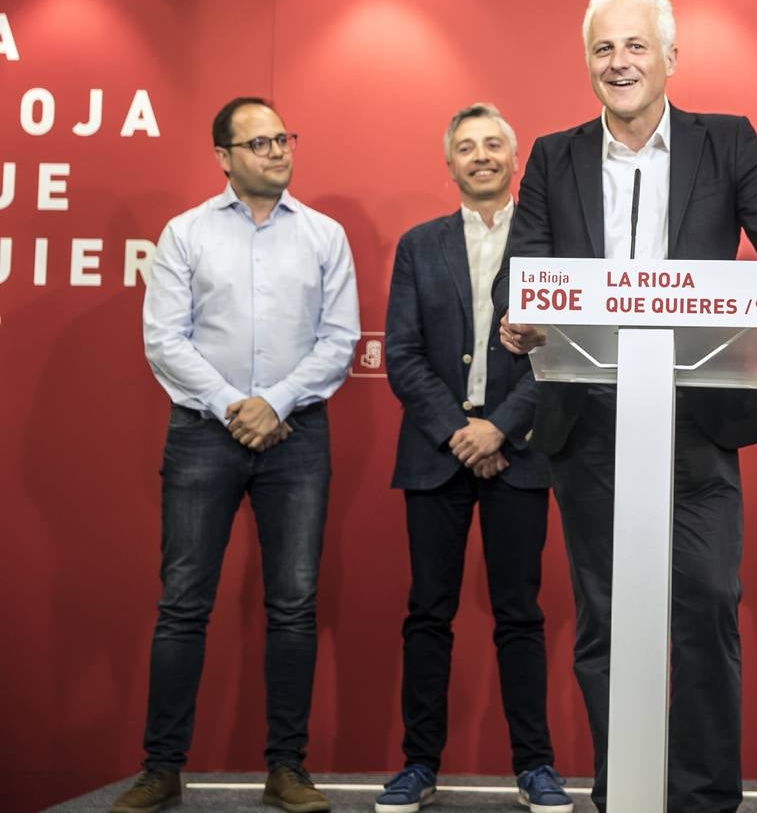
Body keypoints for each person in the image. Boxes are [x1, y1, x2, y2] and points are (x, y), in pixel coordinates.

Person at [500, 0, 757, 813]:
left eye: (636, 47)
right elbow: (523, 272)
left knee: (708, 605)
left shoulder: (727, 143)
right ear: (587, 63)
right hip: (589, 426)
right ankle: (625, 791)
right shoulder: (551, 155)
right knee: (606, 620)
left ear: (670, 58)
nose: (621, 63)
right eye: (605, 49)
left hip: (699, 420)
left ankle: (705, 798)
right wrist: (519, 319)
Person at [115, 97, 360, 813]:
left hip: (298, 436)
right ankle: (161, 768)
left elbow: (339, 340)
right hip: (202, 433)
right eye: (259, 143)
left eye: (283, 138)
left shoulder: (324, 235)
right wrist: (234, 405)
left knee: (294, 605)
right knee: (184, 605)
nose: (277, 151)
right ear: (224, 157)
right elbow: (165, 338)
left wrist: (274, 403)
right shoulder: (186, 234)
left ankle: (287, 768)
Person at [375, 103, 572, 813]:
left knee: (520, 613)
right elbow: (399, 353)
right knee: (428, 613)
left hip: (518, 454)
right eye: (467, 147)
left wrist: (499, 430)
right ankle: (418, 764)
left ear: (515, 160)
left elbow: (561, 351)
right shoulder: (418, 245)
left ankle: (536, 767)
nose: (481, 155)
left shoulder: (551, 247)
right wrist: (459, 430)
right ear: (449, 163)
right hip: (436, 454)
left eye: (493, 145)